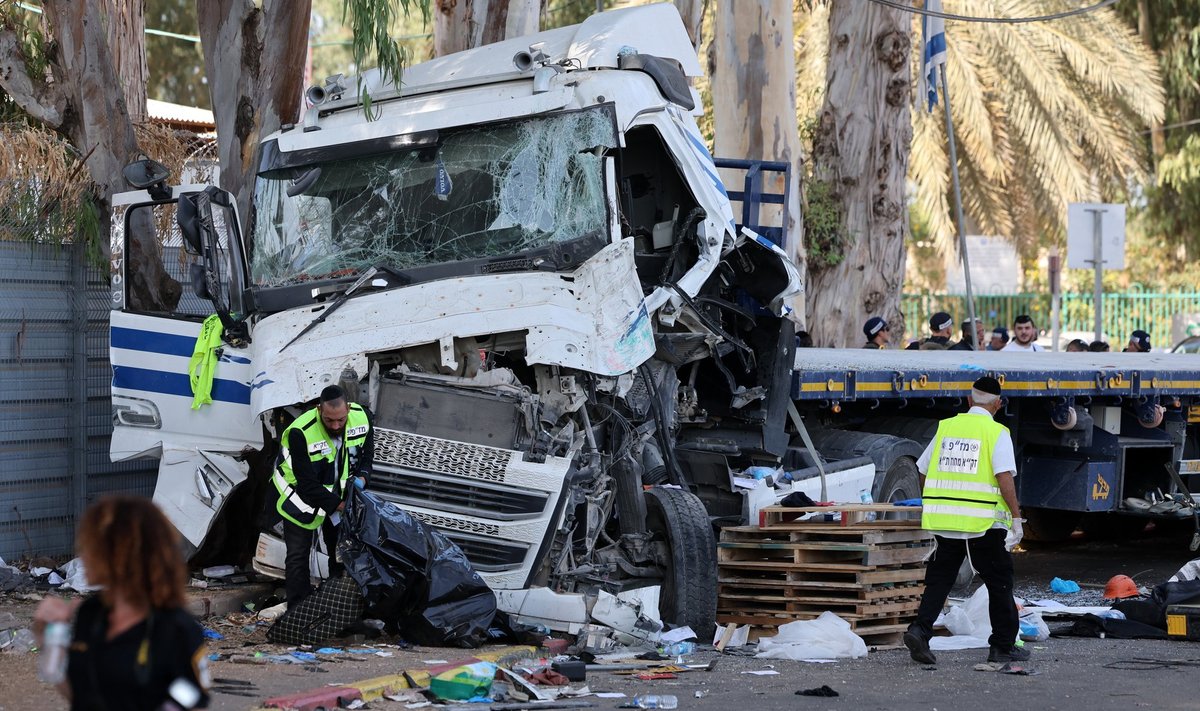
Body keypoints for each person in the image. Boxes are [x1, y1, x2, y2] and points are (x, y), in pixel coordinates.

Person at [33, 497, 211, 710]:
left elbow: (191, 700)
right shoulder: (91, 614)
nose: (83, 556)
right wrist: (50, 638)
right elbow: (80, 696)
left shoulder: (175, 629)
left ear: (121, 554)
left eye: (91, 546)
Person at [903, 376, 1027, 666]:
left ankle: (920, 631)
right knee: (999, 581)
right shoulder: (996, 432)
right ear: (998, 404)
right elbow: (1004, 476)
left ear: (969, 400)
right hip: (981, 523)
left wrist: (938, 501)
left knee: (940, 580)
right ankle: (1002, 646)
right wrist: (1017, 517)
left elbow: (922, 470)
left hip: (945, 522)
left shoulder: (947, 427)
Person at [273, 384, 374, 606]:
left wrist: (363, 479)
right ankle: (297, 612)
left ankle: (338, 609)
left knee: (340, 555)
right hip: (299, 498)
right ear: (320, 410)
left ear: (347, 409)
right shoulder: (301, 431)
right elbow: (307, 484)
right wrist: (341, 506)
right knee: (298, 557)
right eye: (329, 420)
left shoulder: (362, 418)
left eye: (340, 420)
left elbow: (367, 458)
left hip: (337, 497)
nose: (336, 425)